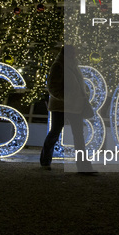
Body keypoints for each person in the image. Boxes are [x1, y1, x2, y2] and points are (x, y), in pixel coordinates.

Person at [40, 45, 95, 173]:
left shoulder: (72, 66)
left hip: (74, 106)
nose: (76, 55)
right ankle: (46, 161)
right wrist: (68, 98)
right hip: (62, 107)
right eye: (74, 52)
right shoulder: (59, 66)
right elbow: (52, 87)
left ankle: (83, 166)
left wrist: (79, 97)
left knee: (76, 136)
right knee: (56, 133)